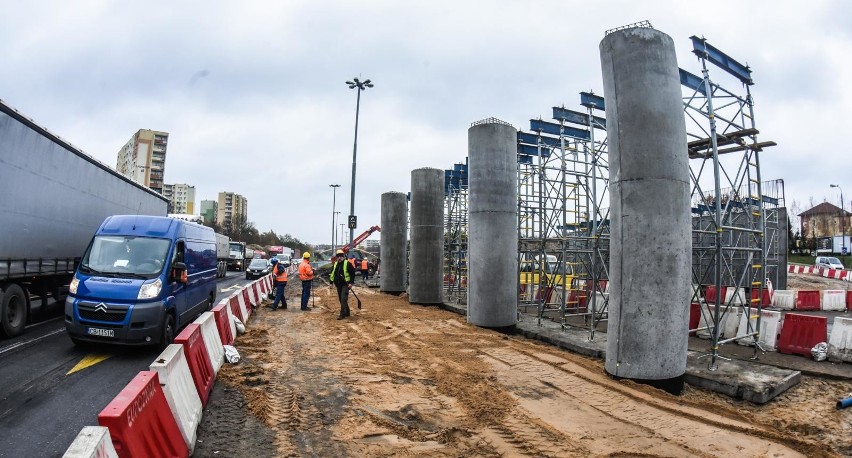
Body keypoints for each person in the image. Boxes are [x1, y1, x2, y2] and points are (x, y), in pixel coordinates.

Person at [330, 249, 356, 319]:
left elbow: (352, 274)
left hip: (345, 284)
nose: (339, 258)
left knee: (343, 299)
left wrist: (351, 283)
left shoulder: (347, 263)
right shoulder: (335, 264)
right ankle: (347, 311)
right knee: (341, 299)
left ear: (343, 256)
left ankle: (342, 314)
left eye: (341, 256)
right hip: (338, 285)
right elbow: (332, 274)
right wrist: (331, 283)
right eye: (338, 256)